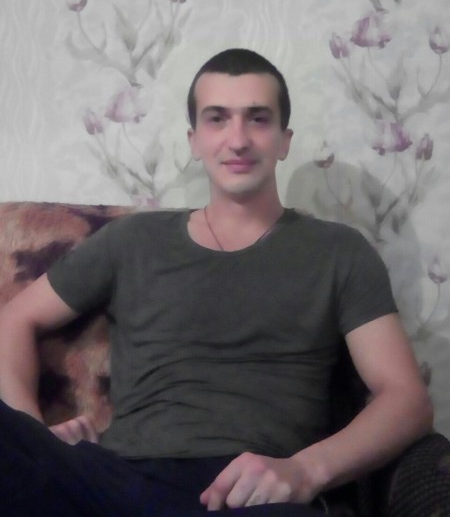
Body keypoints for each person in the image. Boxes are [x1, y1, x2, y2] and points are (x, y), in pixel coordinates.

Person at [0, 48, 433, 516]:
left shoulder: (339, 251)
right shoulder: (133, 240)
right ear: (194, 140)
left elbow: (406, 399)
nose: (238, 139)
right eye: (217, 119)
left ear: (284, 141)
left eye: (258, 119)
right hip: (115, 483)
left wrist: (306, 471)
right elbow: (15, 320)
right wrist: (36, 436)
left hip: (252, 496)